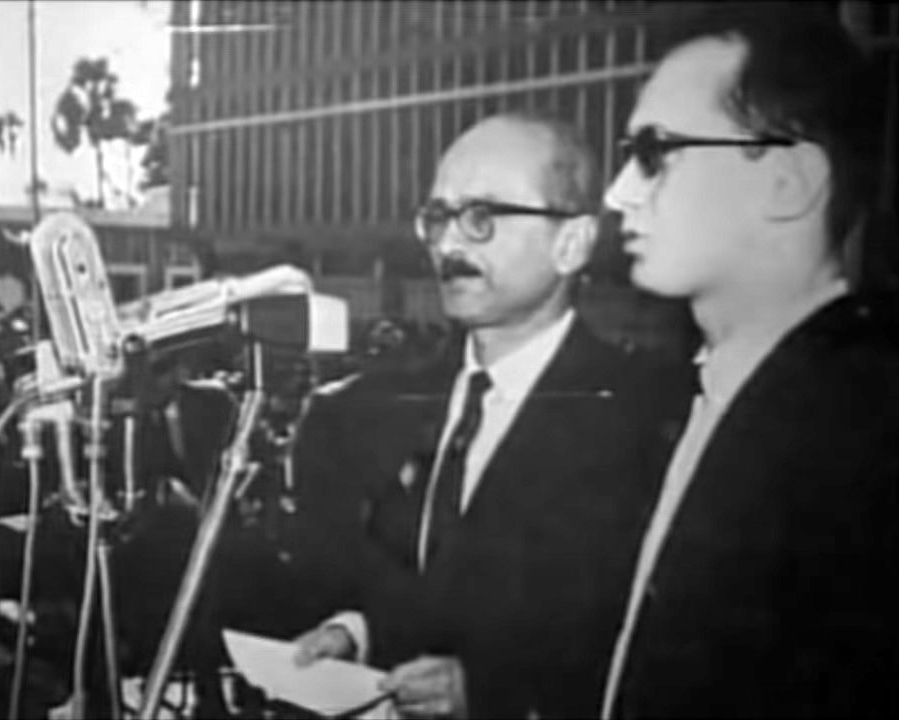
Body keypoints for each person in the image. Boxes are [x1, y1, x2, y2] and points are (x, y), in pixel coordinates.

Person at [289, 112, 682, 718]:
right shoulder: (388, 407)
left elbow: (651, 650)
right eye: (439, 218)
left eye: (483, 219)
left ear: (572, 242)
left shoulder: (643, 424)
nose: (448, 246)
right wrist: (355, 633)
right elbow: (418, 586)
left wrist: (492, 693)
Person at [601, 5, 899, 718]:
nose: (617, 194)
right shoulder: (700, 398)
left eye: (653, 153)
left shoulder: (865, 453)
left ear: (787, 183)